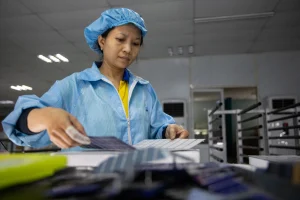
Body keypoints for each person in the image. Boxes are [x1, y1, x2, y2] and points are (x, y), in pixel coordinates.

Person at [1, 8, 189, 151]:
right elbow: (20, 123)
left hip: (137, 180)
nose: (128, 49)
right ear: (102, 41)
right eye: (120, 39)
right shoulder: (75, 86)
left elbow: (157, 128)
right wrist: (46, 116)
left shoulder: (144, 89)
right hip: (89, 183)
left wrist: (169, 130)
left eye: (136, 43)